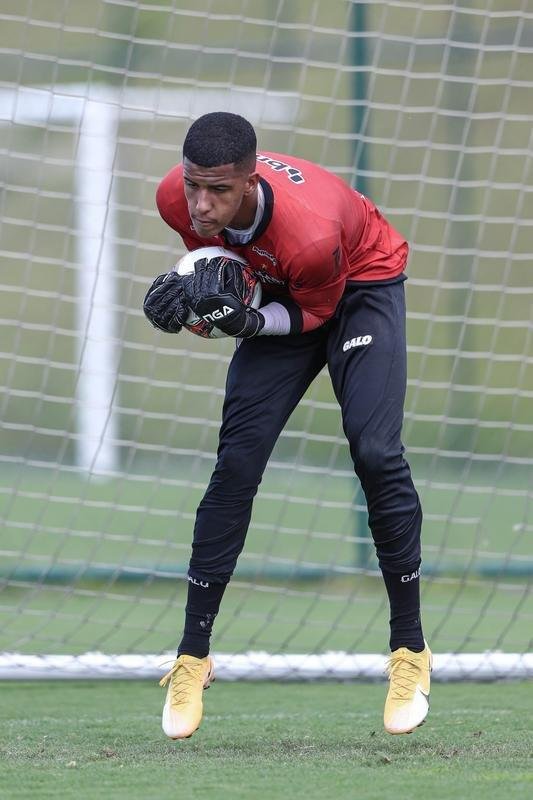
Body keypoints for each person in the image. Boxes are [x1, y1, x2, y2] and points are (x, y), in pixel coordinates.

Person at [143, 112, 432, 740]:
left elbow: (311, 313)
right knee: (236, 465)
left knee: (376, 452)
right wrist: (189, 293)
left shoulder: (310, 230)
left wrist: (245, 322)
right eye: (194, 185)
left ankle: (410, 650)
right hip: (283, 287)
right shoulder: (175, 198)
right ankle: (193, 656)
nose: (200, 203)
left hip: (356, 285)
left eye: (218, 191)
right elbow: (223, 269)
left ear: (249, 181)